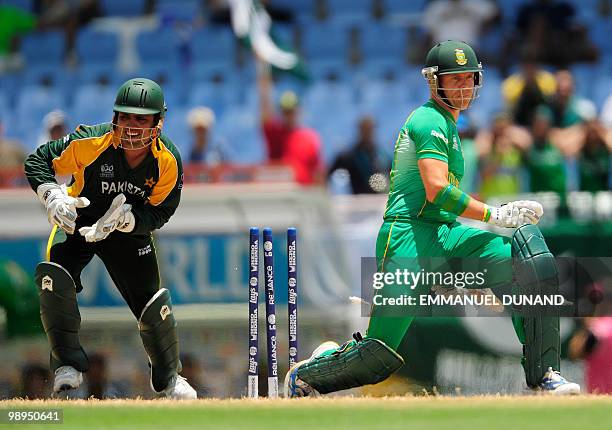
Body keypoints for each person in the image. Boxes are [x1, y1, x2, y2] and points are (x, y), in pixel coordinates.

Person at [285, 40, 580, 397]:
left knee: (527, 266)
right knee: (376, 358)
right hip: (409, 235)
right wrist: (494, 214)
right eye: (453, 79)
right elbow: (437, 190)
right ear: (433, 82)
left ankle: (544, 374)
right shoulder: (427, 119)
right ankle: (310, 372)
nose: (462, 86)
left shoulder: (453, 126)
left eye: (468, 78)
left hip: (447, 233)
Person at [23, 78, 196, 399]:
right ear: (115, 117)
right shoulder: (91, 140)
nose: (131, 127)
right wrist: (52, 196)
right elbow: (37, 161)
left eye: (141, 119)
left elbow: (162, 210)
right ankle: (66, 363)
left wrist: (130, 221)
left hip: (124, 228)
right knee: (54, 274)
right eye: (125, 117)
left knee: (151, 301)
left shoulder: (167, 160)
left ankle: (170, 378)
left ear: (158, 122)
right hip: (78, 218)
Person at [257, 62, 324, 184]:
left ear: (299, 111)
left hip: (303, 194)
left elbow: (317, 172)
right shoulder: (274, 133)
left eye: (291, 111)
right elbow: (265, 103)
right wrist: (262, 66)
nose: (289, 115)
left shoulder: (310, 137)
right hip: (279, 193)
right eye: (285, 111)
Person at [327, 116, 391, 194]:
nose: (368, 133)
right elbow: (328, 173)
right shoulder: (350, 156)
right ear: (359, 130)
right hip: (359, 201)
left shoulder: (383, 154)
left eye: (370, 129)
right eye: (365, 129)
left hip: (381, 201)